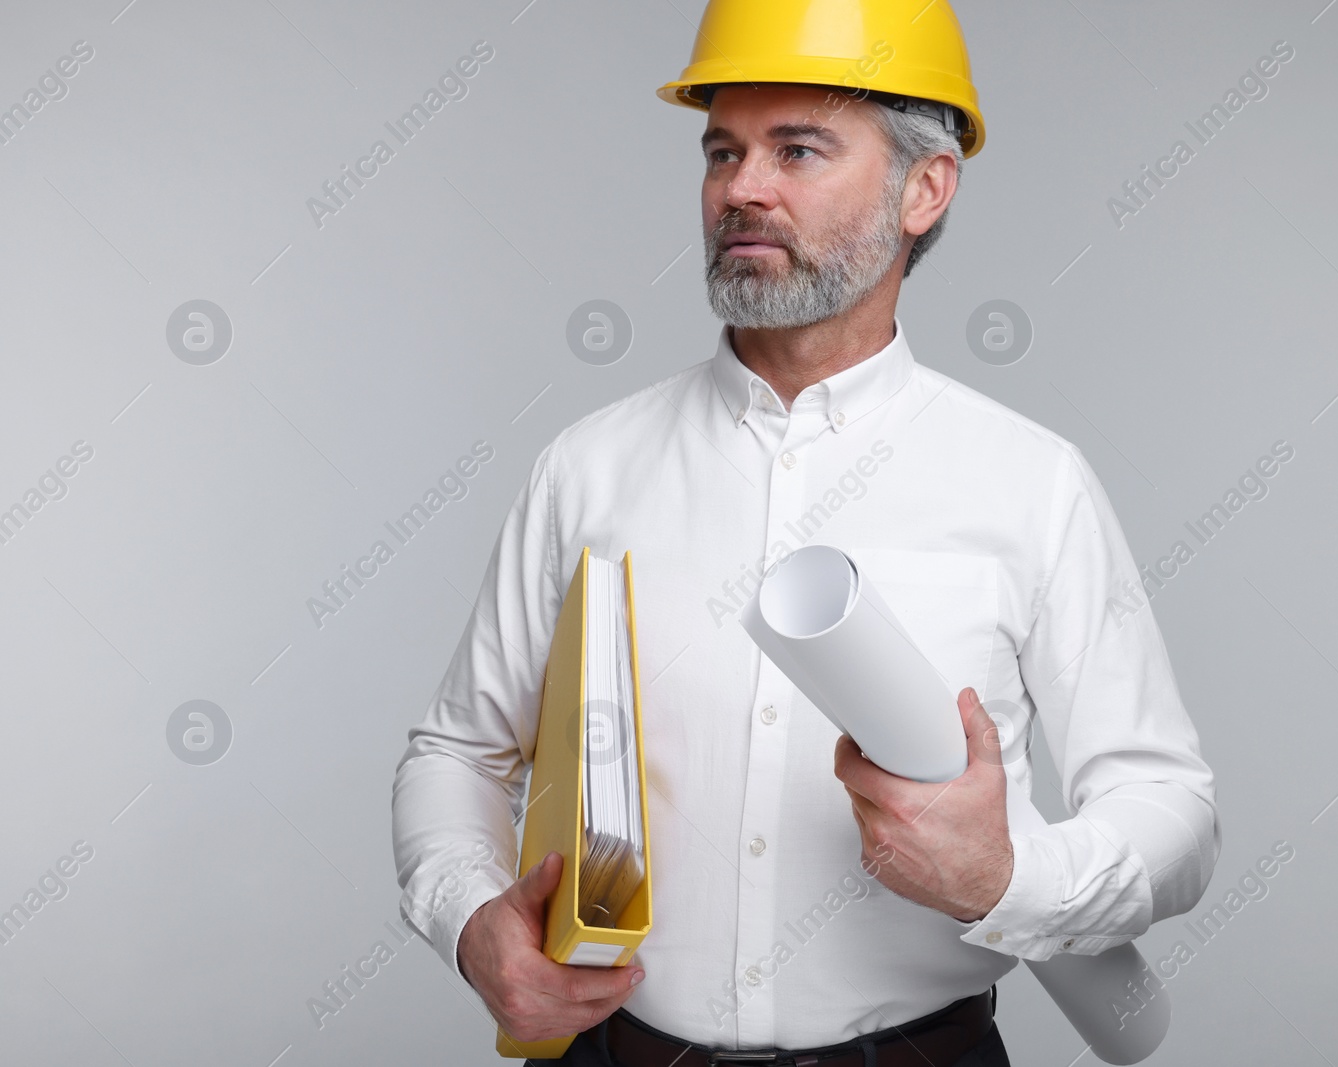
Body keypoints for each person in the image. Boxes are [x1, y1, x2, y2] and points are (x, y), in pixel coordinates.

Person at [391, 2, 1220, 1064]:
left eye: (798, 148)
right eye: (723, 151)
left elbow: (1170, 808)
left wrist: (1006, 879)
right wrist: (472, 923)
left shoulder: (1030, 483)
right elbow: (457, 750)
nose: (741, 186)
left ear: (923, 188)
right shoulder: (587, 468)